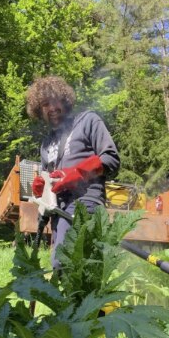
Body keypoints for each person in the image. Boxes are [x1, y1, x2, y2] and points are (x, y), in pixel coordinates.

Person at [26, 75, 120, 268]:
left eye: (56, 101)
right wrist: (41, 187)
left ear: (65, 100)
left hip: (85, 202)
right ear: (39, 110)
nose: (52, 108)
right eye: (45, 104)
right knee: (66, 269)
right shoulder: (46, 145)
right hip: (58, 211)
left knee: (64, 263)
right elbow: (48, 180)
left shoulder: (87, 121)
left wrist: (78, 173)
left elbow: (111, 159)